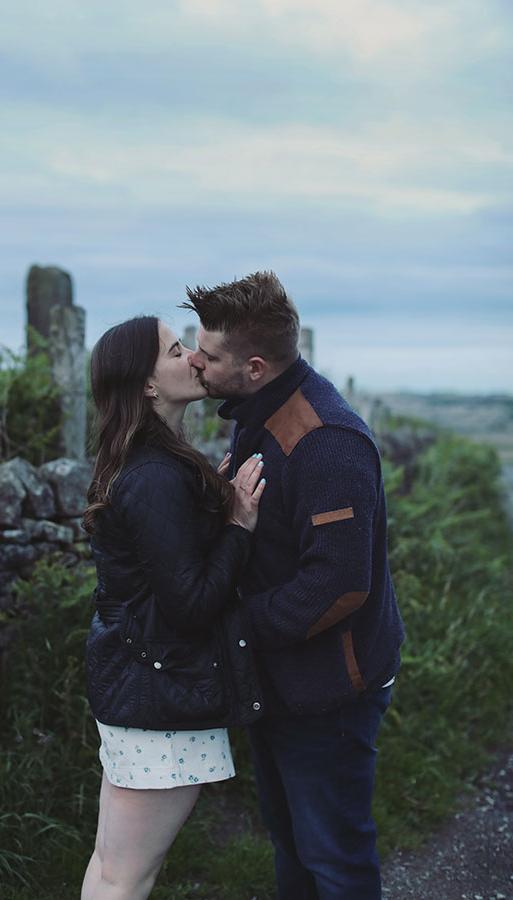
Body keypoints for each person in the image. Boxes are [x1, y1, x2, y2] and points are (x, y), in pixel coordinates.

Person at [180, 271, 405, 900]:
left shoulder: (325, 440)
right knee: (293, 847)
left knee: (335, 857)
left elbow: (338, 585)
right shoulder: (258, 411)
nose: (196, 361)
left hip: (332, 690)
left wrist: (232, 628)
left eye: (210, 354)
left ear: (254, 367)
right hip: (279, 682)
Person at [80, 315, 266, 900]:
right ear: (147, 386)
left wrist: (210, 510)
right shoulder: (156, 474)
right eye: (176, 348)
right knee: (126, 875)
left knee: (112, 863)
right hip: (157, 698)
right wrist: (237, 526)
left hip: (140, 687)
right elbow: (189, 607)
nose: (194, 356)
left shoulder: (151, 462)